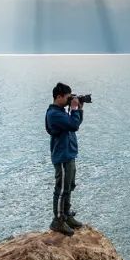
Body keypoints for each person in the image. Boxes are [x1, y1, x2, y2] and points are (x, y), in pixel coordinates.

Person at [45, 82, 84, 236]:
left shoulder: (61, 112)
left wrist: (79, 108)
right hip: (62, 157)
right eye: (68, 98)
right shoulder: (54, 114)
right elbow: (73, 125)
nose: (70, 100)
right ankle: (58, 221)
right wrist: (74, 109)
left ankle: (66, 216)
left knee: (69, 186)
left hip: (69, 154)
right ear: (59, 96)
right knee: (61, 189)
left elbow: (76, 124)